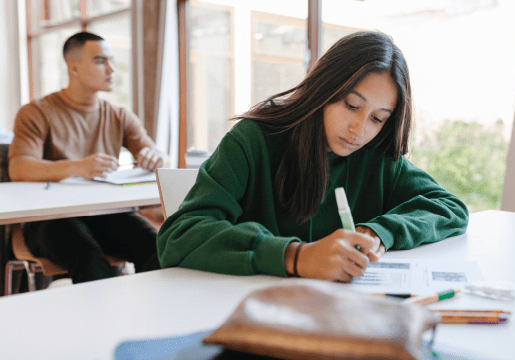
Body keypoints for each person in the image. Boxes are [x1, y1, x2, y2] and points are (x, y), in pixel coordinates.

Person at [157, 31, 469, 282]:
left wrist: (379, 232)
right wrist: (295, 256)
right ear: (324, 90)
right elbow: (179, 236)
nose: (359, 129)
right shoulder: (254, 140)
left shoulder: (377, 157)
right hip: (251, 314)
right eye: (351, 105)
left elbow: (450, 208)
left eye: (378, 118)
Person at [8, 32, 166, 284]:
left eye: (111, 60)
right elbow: (19, 167)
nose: (112, 69)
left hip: (107, 214)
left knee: (162, 247)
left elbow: (156, 154)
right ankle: (101, 324)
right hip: (50, 219)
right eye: (100, 61)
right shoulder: (36, 112)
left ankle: (155, 319)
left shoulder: (119, 115)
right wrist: (77, 167)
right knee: (88, 257)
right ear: (74, 67)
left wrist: (154, 156)